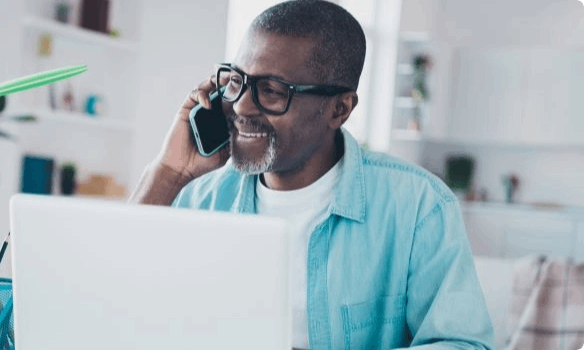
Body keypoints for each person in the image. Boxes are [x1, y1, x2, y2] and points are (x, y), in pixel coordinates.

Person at [129, 0, 494, 349]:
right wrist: (170, 172)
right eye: (236, 81)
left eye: (271, 91)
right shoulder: (198, 199)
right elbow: (117, 298)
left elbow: (462, 343)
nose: (240, 105)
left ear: (339, 109)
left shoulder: (417, 206)